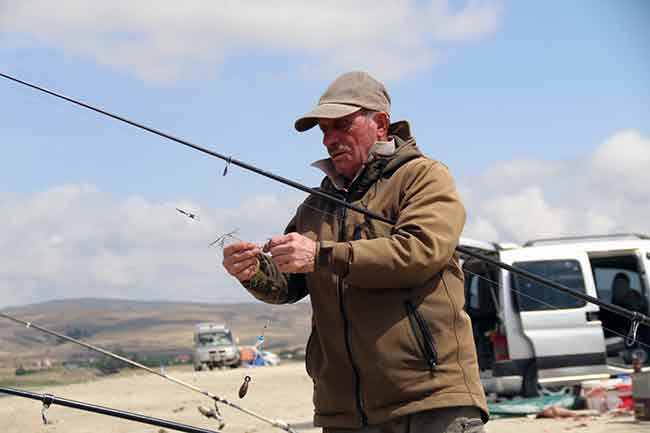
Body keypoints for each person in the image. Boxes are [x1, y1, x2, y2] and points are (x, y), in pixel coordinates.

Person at [222, 71, 488, 433]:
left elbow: (420, 252)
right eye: (324, 131)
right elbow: (288, 285)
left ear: (380, 124)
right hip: (343, 414)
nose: (330, 139)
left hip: (430, 402)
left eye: (341, 125)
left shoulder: (424, 177)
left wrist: (321, 255)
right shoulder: (315, 206)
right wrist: (252, 271)